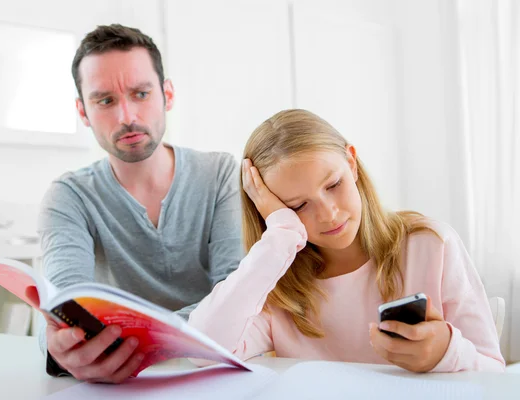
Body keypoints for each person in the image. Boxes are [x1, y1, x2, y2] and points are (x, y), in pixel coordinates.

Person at [188, 109, 505, 372]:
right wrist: (279, 236)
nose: (328, 214)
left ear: (351, 163)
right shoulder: (276, 285)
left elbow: (493, 373)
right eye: (298, 206)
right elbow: (201, 351)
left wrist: (445, 353)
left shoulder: (431, 246)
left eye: (333, 185)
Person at [33, 24, 243, 383]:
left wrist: (129, 336)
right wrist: (58, 347)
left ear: (168, 94)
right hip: (119, 384)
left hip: (213, 374)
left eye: (141, 93)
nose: (126, 116)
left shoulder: (220, 174)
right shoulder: (68, 196)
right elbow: (64, 309)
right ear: (83, 112)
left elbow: (237, 294)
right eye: (105, 101)